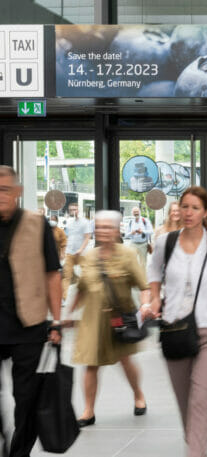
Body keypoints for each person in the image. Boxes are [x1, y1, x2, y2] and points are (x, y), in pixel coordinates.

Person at [143, 186, 207, 457]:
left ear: (205, 213)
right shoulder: (166, 242)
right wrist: (154, 298)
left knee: (201, 399)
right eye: (184, 206)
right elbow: (153, 272)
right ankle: (197, 448)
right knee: (185, 403)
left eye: (195, 208)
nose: (188, 213)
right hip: (175, 331)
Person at [0, 165, 63, 457]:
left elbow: (53, 275)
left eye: (4, 190)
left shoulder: (38, 226)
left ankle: (18, 453)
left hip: (29, 325)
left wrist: (57, 321)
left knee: (26, 399)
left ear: (18, 192)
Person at [69, 211, 149, 427]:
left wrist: (145, 304)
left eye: (107, 227)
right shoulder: (90, 257)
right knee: (91, 365)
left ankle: (138, 395)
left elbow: (144, 285)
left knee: (125, 361)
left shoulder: (128, 254)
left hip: (118, 320)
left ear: (116, 230)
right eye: (99, 227)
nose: (102, 231)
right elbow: (82, 289)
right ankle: (88, 411)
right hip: (92, 321)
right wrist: (66, 316)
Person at [63, 201, 92, 300]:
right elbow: (67, 236)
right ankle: (63, 298)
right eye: (71, 210)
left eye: (74, 209)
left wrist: (80, 249)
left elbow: (87, 237)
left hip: (81, 253)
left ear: (78, 210)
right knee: (66, 275)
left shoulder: (85, 222)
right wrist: (64, 250)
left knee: (86, 273)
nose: (73, 211)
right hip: (70, 252)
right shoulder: (68, 222)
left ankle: (87, 293)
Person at [126, 206, 154, 272]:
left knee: (143, 263)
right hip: (133, 244)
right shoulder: (130, 222)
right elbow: (126, 234)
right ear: (132, 213)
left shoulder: (145, 220)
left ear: (140, 212)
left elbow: (151, 231)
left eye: (137, 211)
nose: (136, 213)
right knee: (131, 262)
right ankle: (134, 278)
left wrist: (142, 231)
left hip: (143, 244)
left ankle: (143, 279)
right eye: (134, 212)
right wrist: (131, 233)